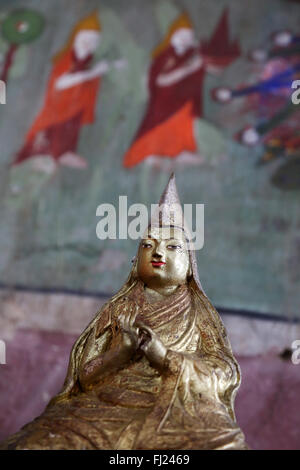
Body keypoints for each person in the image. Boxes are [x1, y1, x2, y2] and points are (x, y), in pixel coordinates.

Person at [0, 174, 248, 450]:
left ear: (190, 264)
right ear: (135, 260)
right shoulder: (118, 308)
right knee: (39, 443)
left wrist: (166, 358)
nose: (157, 252)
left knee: (224, 445)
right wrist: (122, 352)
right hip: (107, 403)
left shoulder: (199, 313)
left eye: (172, 246)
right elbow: (85, 375)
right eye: (148, 244)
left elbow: (224, 373)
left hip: (177, 407)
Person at [123, 10, 240, 169]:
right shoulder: (164, 56)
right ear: (172, 35)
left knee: (188, 130)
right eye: (182, 35)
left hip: (185, 102)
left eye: (189, 36)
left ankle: (177, 154)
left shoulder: (193, 54)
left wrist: (218, 58)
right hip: (165, 103)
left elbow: (213, 68)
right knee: (164, 130)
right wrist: (189, 68)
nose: (186, 39)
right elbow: (161, 81)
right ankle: (156, 155)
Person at [12, 12, 124, 172]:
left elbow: (91, 78)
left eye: (93, 41)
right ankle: (44, 154)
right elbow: (61, 82)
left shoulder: (87, 61)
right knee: (52, 132)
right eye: (85, 39)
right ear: (76, 38)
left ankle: (64, 152)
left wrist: (109, 66)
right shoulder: (66, 59)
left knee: (71, 129)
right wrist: (93, 72)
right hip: (58, 106)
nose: (88, 44)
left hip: (76, 105)